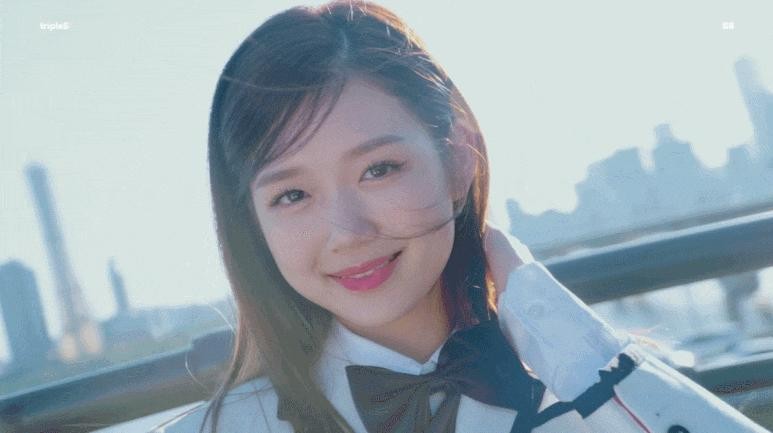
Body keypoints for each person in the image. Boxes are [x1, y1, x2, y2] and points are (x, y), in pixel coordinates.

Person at [151, 1, 770, 432]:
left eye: (379, 169)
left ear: (457, 158)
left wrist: (572, 346)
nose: (347, 232)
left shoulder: (603, 385)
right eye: (291, 196)